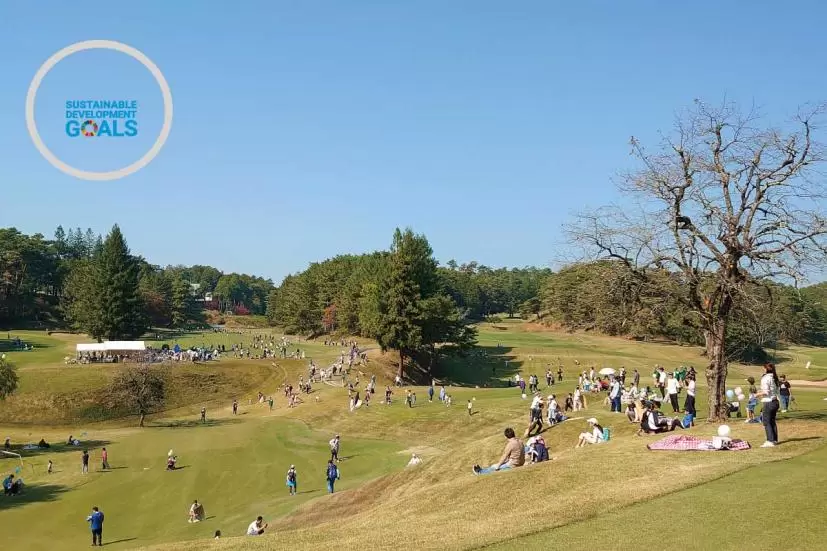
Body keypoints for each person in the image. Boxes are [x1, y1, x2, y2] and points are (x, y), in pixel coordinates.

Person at [757, 363, 781, 447]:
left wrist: (756, 394)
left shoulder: (765, 378)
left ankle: (770, 441)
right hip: (775, 401)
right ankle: (774, 440)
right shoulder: (774, 377)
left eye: (764, 368)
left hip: (769, 402)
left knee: (766, 422)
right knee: (772, 421)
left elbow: (766, 392)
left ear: (766, 369)